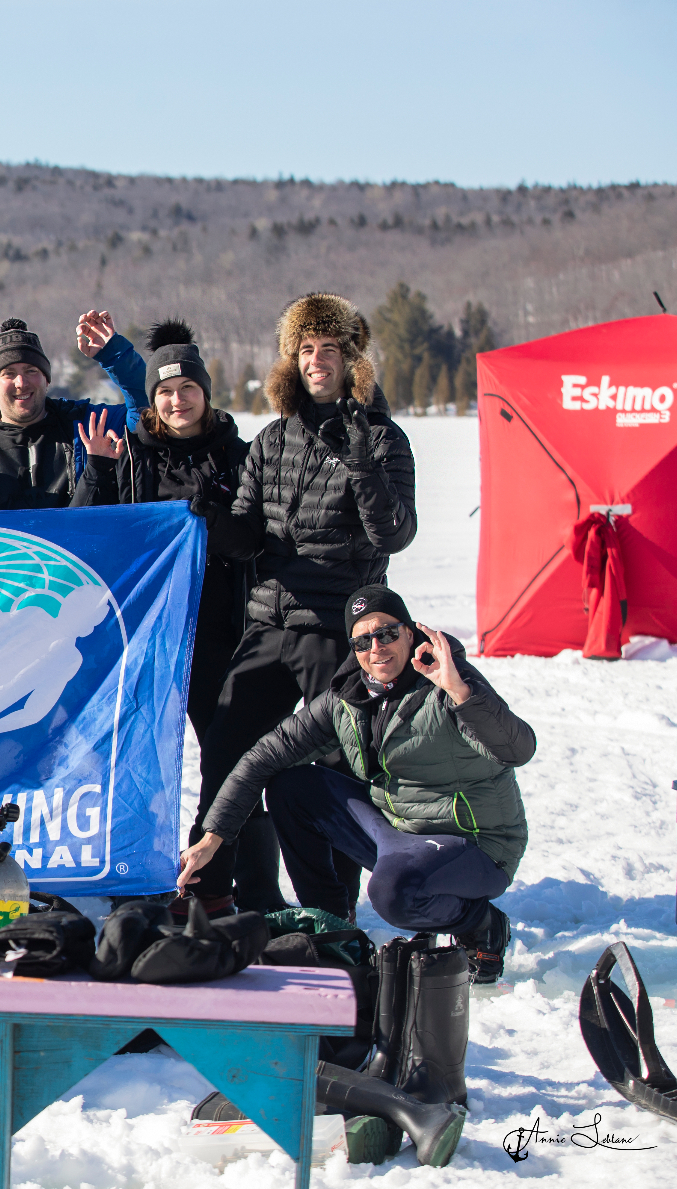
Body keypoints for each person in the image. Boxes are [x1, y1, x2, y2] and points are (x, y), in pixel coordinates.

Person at [190, 292, 418, 917]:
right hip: (268, 624)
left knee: (334, 769)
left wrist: (364, 465)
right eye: (306, 349)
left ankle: (333, 905)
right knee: (225, 750)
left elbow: (395, 534)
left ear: (352, 361)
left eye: (331, 350)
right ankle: (211, 894)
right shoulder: (271, 439)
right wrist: (214, 514)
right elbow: (245, 540)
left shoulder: (385, 438)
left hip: (337, 629)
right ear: (292, 360)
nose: (318, 361)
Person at [178, 585, 528, 983]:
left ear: (411, 633)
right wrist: (213, 836)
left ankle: (480, 923)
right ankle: (332, 922)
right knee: (292, 786)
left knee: (394, 895)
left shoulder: (448, 682)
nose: (376, 647)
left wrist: (461, 692)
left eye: (387, 633)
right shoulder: (347, 697)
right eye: (362, 640)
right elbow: (263, 757)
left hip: (477, 844)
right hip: (401, 833)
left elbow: (517, 749)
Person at [71, 321, 253, 775]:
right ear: (151, 398)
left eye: (188, 387)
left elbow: (252, 544)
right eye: (166, 390)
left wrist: (214, 515)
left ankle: (227, 845)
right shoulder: (129, 453)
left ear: (206, 392)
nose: (178, 400)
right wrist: (96, 471)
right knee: (137, 762)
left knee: (232, 760)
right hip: (148, 632)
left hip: (220, 628)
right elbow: (83, 538)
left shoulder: (240, 456)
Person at [0, 312, 148, 509]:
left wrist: (114, 354)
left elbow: (145, 411)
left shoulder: (88, 425)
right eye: (9, 374)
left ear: (47, 380)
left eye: (31, 371)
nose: (21, 383)